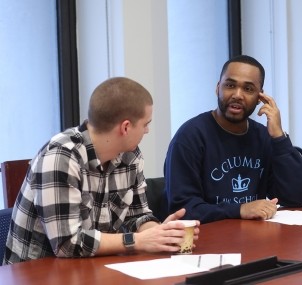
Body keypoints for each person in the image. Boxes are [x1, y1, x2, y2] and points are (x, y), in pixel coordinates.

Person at [3, 77, 200, 265]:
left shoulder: (130, 155)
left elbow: (137, 215)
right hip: (37, 274)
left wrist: (161, 234)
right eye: (146, 124)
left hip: (94, 267)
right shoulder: (61, 157)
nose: (147, 131)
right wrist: (138, 241)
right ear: (125, 127)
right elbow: (67, 244)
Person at [164, 55, 302, 224]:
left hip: (253, 237)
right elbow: (183, 210)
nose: (237, 95)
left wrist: (279, 137)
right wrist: (240, 209)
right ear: (218, 88)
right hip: (207, 241)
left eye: (248, 89)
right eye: (230, 85)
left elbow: (296, 198)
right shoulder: (189, 137)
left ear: (260, 98)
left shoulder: (264, 137)